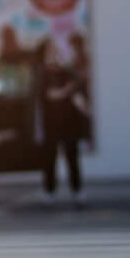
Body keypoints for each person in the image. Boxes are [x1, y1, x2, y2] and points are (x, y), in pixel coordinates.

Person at [40, 34, 91, 208]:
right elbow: (51, 95)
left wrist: (83, 107)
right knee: (49, 159)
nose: (55, 55)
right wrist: (66, 90)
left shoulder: (67, 73)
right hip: (51, 125)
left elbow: (77, 95)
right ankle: (49, 191)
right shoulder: (44, 75)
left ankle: (77, 191)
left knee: (72, 158)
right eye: (51, 52)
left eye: (57, 51)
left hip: (69, 123)